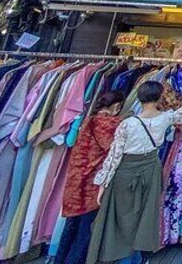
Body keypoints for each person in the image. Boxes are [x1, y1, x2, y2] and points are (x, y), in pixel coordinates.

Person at [87, 82, 182, 264]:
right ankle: (135, 258)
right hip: (150, 169)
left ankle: (126, 258)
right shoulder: (164, 118)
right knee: (144, 215)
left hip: (126, 172)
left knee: (123, 219)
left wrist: (103, 183)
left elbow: (114, 155)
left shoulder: (127, 124)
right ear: (159, 98)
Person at [56, 91, 125, 264]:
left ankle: (60, 260)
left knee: (71, 226)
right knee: (86, 230)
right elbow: (113, 147)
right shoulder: (108, 124)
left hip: (76, 179)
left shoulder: (89, 119)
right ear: (116, 106)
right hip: (92, 183)